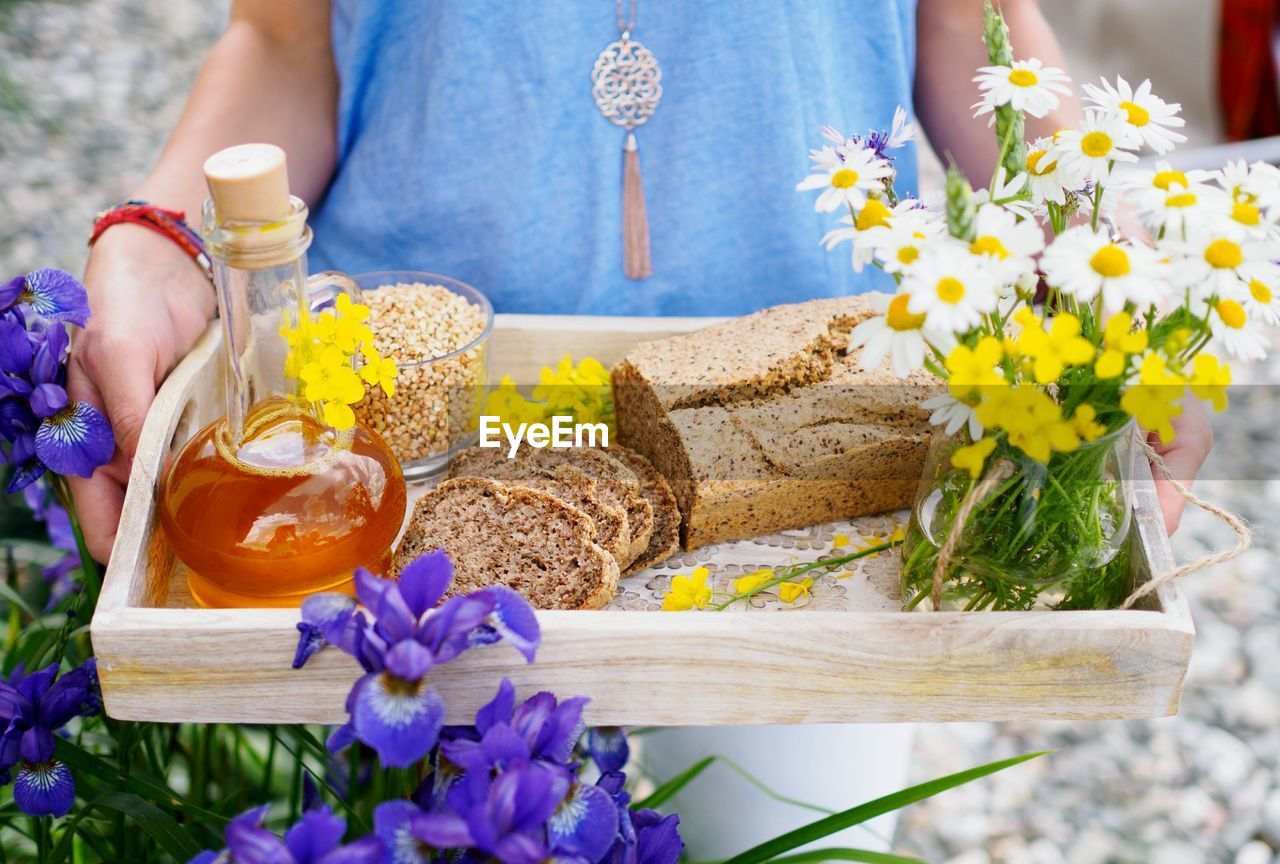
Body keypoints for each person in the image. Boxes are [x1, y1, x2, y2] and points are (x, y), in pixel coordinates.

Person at [67, 0, 1213, 854]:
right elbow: (283, 39)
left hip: (814, 460)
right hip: (403, 438)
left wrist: (1101, 263)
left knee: (790, 836)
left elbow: (975, 27)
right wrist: (159, 235)